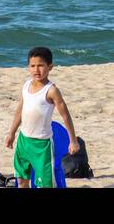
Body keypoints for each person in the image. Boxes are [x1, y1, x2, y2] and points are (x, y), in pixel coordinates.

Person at [5, 46, 80, 188]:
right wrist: (11, 133)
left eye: (40, 65)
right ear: (28, 67)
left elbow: (65, 116)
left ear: (50, 67)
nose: (36, 70)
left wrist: (73, 141)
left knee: (45, 184)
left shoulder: (51, 90)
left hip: (42, 146)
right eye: (32, 66)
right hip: (23, 141)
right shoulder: (26, 86)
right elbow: (19, 110)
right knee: (21, 180)